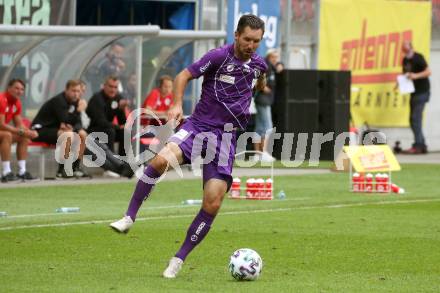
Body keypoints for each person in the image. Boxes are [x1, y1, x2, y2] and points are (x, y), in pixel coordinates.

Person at [110, 14, 268, 279]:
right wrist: (176, 104)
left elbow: (260, 79)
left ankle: (178, 259)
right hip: (199, 126)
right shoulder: (218, 56)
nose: (251, 45)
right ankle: (128, 217)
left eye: (257, 41)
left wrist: (259, 85)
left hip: (226, 139)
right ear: (237, 36)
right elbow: (184, 75)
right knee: (160, 161)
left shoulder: (259, 65)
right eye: (248, 39)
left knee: (213, 203)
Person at [32, 79, 90, 179]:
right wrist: (78, 111)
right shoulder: (59, 100)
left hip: (56, 130)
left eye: (78, 91)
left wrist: (74, 126)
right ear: (66, 90)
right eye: (73, 91)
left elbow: (75, 122)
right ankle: (61, 170)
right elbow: (66, 119)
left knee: (82, 134)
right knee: (68, 135)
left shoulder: (74, 102)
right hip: (40, 130)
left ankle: (75, 167)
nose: (76, 94)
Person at [0, 78, 39, 182]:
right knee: (7, 135)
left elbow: (19, 124)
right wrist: (21, 131)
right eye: (16, 88)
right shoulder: (1, 99)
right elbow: (1, 125)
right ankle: (6, 172)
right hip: (2, 131)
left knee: (24, 137)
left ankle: (22, 171)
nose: (19, 91)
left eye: (22, 89)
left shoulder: (16, 103)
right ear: (9, 88)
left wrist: (29, 132)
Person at [253, 48, 283, 162]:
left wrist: (280, 64)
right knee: (268, 127)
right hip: (262, 100)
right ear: (269, 57)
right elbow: (256, 79)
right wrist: (264, 88)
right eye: (273, 57)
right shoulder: (265, 66)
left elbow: (280, 67)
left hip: (264, 101)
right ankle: (264, 153)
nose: (275, 59)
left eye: (277, 57)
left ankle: (257, 154)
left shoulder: (271, 66)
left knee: (259, 128)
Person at [401, 41, 431, 154]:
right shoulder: (405, 60)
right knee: (413, 120)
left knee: (415, 118)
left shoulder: (418, 57)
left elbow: (428, 72)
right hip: (413, 93)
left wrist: (415, 76)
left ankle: (418, 145)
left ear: (410, 46)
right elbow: (405, 75)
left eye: (406, 45)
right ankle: (422, 145)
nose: (403, 48)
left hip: (422, 92)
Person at [86, 76, 128, 157]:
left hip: (108, 129)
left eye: (115, 87)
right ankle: (111, 162)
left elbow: (122, 122)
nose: (113, 90)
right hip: (92, 130)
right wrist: (118, 127)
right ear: (104, 86)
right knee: (110, 131)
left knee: (125, 132)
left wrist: (121, 109)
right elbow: (101, 122)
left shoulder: (118, 98)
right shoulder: (97, 99)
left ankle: (124, 161)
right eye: (110, 86)